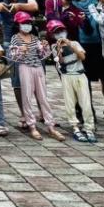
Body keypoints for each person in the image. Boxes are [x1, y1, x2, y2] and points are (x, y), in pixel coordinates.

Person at [0, 0, 38, 122]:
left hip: (30, 39)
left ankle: (42, 110)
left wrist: (18, 6)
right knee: (17, 79)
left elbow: (34, 6)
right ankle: (24, 112)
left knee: (36, 76)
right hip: (10, 40)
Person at [8, 11, 64, 142]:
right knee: (27, 97)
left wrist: (44, 47)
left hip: (38, 67)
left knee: (43, 97)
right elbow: (13, 57)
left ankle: (50, 125)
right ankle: (32, 126)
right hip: (25, 68)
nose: (26, 25)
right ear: (18, 24)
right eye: (24, 23)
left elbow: (42, 55)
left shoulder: (34, 37)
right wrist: (20, 50)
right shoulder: (15, 38)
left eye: (28, 23)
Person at [47, 19, 95, 143]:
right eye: (57, 32)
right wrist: (59, 48)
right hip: (67, 77)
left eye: (62, 31)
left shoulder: (75, 43)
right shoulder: (54, 46)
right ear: (53, 35)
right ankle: (75, 127)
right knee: (70, 103)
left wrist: (70, 45)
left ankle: (89, 127)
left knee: (85, 102)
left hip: (80, 75)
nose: (60, 34)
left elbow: (82, 57)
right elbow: (59, 62)